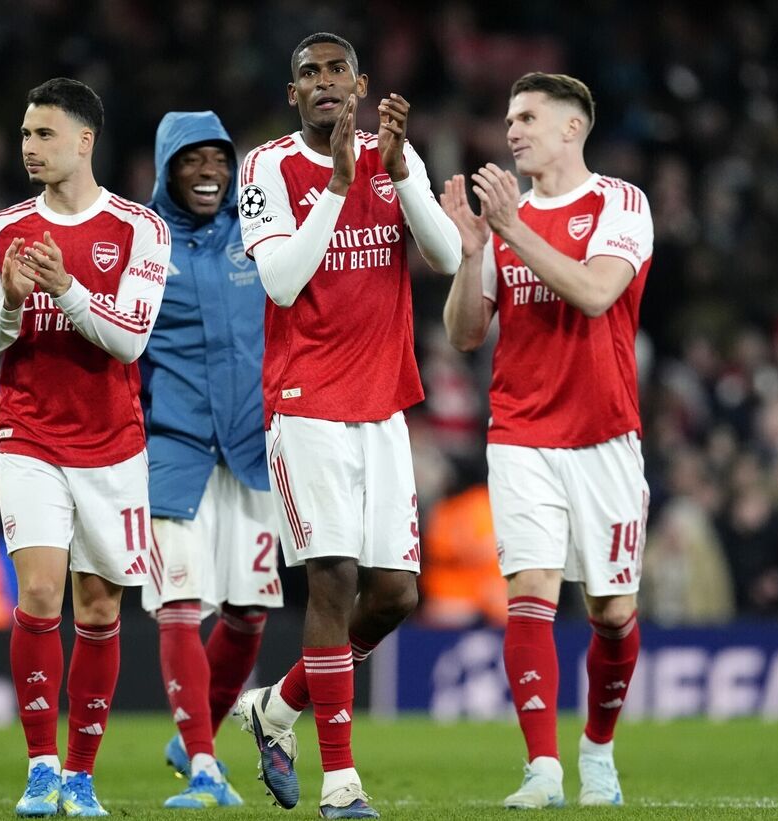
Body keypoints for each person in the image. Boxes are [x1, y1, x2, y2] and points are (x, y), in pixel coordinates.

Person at [0, 110, 281, 811]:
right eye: (190, 159)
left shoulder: (244, 242)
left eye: (219, 160)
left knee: (244, 612)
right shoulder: (84, 232)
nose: (208, 172)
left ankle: (179, 737)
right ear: (166, 166)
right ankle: (161, 762)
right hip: (166, 444)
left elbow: (282, 327)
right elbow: (22, 346)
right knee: (98, 598)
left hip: (241, 449)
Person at [231, 32, 460, 820]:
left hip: (383, 406)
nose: (325, 84)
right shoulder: (264, 168)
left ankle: (277, 707)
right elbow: (282, 282)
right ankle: (342, 786)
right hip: (304, 403)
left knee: (395, 594)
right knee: (331, 579)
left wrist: (400, 174)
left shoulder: (395, 155)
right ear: (292, 92)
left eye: (337, 71)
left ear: (359, 85)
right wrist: (336, 184)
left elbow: (450, 258)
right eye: (309, 74)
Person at [0, 77, 170, 818]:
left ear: (85, 141)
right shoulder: (1, 228)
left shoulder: (139, 227)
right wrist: (12, 303)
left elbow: (130, 337)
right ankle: (42, 767)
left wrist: (68, 288)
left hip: (113, 444)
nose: (28, 147)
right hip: (30, 433)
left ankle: (82, 774)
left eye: (43, 134)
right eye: (23, 134)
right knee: (41, 592)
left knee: (102, 606)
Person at [441, 72, 653, 809]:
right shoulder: (508, 222)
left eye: (528, 116)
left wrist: (510, 232)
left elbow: (596, 293)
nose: (513, 130)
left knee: (612, 614)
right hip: (521, 432)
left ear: (573, 128)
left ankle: (597, 750)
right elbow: (467, 333)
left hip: (604, 436)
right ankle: (544, 768)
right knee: (530, 590)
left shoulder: (621, 204)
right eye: (508, 118)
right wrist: (473, 252)